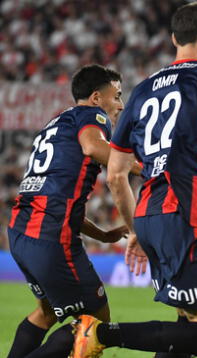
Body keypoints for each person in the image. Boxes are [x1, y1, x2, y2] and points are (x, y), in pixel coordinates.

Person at [70, 2, 197, 357]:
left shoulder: (141, 91)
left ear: (174, 38)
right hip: (184, 213)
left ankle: (101, 333)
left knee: (186, 325)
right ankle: (101, 333)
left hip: (150, 214)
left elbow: (116, 175)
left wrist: (137, 229)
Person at [7, 64, 139, 358]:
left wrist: (103, 236)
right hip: (51, 237)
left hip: (21, 232)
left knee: (45, 312)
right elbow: (94, 148)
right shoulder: (94, 116)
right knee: (95, 324)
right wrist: (143, 168)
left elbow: (57, 196)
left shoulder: (55, 124)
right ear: (96, 97)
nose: (120, 104)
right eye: (116, 96)